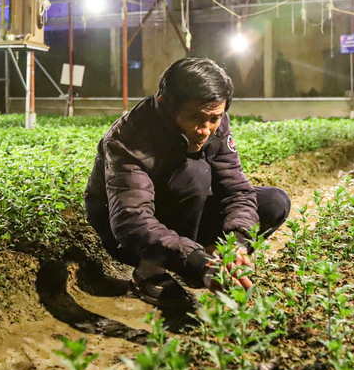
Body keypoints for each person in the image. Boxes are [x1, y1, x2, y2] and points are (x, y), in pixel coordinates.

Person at [84, 57, 291, 306]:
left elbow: (236, 189)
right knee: (195, 174)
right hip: (126, 235)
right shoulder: (128, 137)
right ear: (166, 105)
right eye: (196, 118)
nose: (205, 129)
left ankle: (210, 261)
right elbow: (132, 219)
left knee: (274, 202)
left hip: (183, 209)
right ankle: (150, 270)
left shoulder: (215, 123)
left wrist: (236, 245)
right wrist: (195, 262)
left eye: (214, 119)